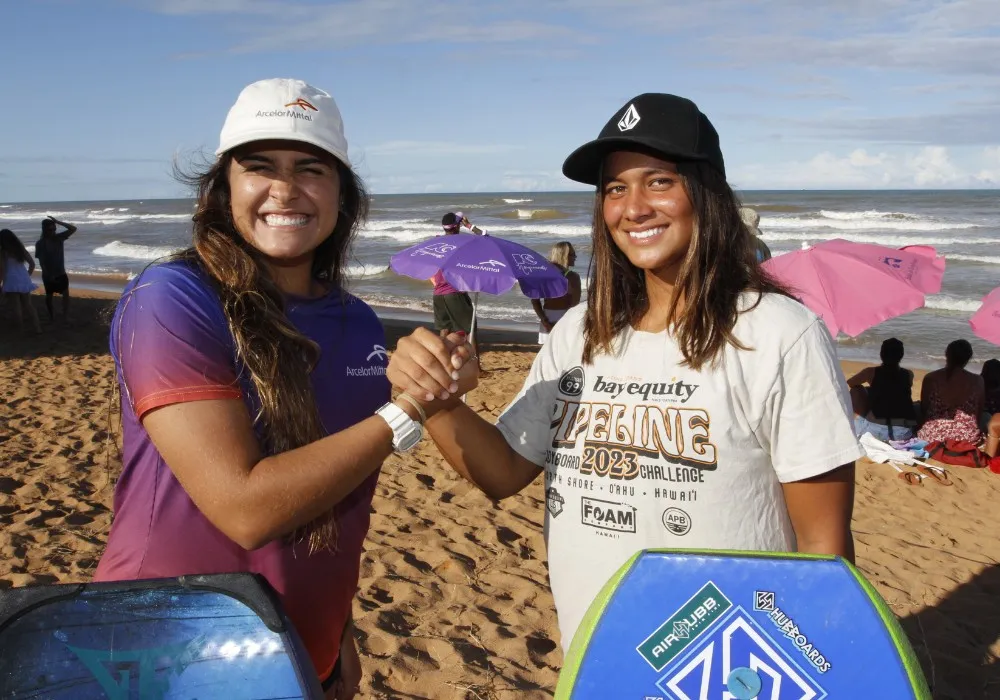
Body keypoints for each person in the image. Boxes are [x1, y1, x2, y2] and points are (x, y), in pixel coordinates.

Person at [386, 93, 862, 651]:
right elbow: (503, 471)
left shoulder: (779, 333)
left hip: (732, 666)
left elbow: (824, 548)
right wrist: (438, 400)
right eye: (615, 188)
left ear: (706, 192)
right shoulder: (581, 331)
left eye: (658, 181)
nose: (632, 207)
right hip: (594, 660)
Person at [93, 78, 428, 699]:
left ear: (342, 195)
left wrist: (339, 633)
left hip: (302, 651)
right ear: (223, 188)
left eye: (311, 169)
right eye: (259, 168)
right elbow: (245, 509)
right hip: (164, 656)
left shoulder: (357, 321)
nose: (285, 190)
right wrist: (406, 412)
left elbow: (330, 493)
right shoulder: (173, 298)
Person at [846, 338, 917, 441]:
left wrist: (869, 389)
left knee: (856, 390)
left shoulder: (871, 372)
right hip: (903, 433)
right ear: (901, 356)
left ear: (881, 354)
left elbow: (850, 383)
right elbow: (895, 390)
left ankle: (859, 422)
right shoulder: (908, 374)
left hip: (875, 431)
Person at [430, 211, 480, 358]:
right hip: (454, 292)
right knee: (470, 329)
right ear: (458, 225)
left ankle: (442, 361)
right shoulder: (462, 242)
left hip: (438, 294)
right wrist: (469, 225)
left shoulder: (436, 242)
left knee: (444, 330)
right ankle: (476, 366)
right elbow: (485, 239)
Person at [917, 339, 984, 445]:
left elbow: (924, 408)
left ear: (947, 354)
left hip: (933, 436)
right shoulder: (978, 380)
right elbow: (979, 412)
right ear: (968, 358)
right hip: (966, 438)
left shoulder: (931, 378)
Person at [531, 241, 581, 344]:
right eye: (572, 254)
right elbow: (574, 306)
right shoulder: (573, 277)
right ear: (563, 255)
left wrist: (544, 321)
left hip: (547, 318)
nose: (575, 257)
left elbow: (535, 301)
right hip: (566, 319)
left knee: (547, 355)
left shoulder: (543, 275)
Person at [34, 215, 78, 321]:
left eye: (54, 229)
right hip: (48, 274)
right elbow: (41, 262)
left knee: (66, 296)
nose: (53, 231)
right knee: (49, 297)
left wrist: (58, 222)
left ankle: (65, 316)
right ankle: (51, 316)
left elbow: (73, 229)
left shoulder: (59, 238)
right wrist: (48, 275)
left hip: (61, 272)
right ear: (44, 230)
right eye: (50, 229)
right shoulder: (40, 243)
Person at [0, 229, 42, 334]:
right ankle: (38, 328)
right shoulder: (20, 249)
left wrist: (2, 284)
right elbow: (32, 264)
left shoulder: (3, 252)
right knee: (28, 305)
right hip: (23, 278)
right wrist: (26, 276)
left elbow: (3, 270)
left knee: (16, 306)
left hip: (11, 279)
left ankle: (20, 330)